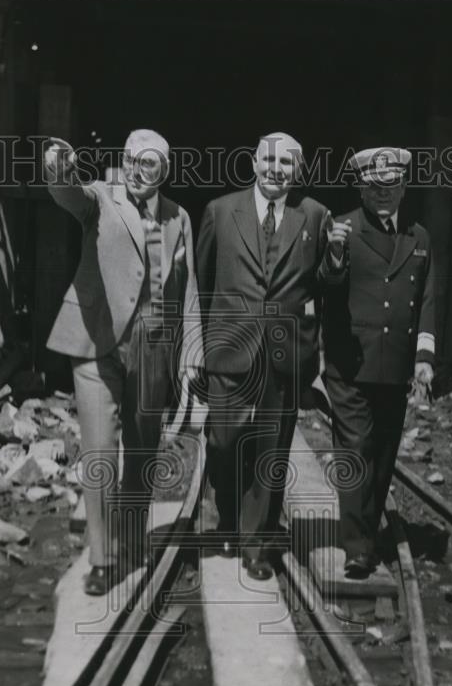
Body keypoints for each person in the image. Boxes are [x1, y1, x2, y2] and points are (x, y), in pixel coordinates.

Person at [44, 129, 202, 595]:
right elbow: (69, 194)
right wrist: (59, 169)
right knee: (98, 454)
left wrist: (192, 353)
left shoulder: (179, 218)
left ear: (164, 171)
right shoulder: (101, 197)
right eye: (130, 159)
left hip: (152, 350)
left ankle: (133, 542)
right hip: (97, 344)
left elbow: (188, 287)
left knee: (141, 454)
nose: (135, 169)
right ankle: (102, 558)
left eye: (147, 163)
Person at [196, 132, 331, 580]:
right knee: (224, 440)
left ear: (298, 171)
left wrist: (338, 256)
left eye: (287, 162)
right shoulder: (220, 211)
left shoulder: (313, 215)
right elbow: (202, 281)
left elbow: (326, 281)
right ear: (253, 163)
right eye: (268, 159)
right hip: (229, 346)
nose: (276, 168)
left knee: (271, 450)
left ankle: (256, 544)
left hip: (285, 352)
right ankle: (229, 510)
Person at [318, 147, 435, 579]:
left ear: (403, 187)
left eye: (391, 187)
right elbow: (328, 286)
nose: (383, 195)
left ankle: (366, 530)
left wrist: (424, 358)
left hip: (395, 368)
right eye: (374, 188)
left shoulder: (419, 237)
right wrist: (333, 256)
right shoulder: (341, 229)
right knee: (355, 452)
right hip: (351, 365)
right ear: (362, 189)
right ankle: (357, 547)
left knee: (383, 455)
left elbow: (426, 299)